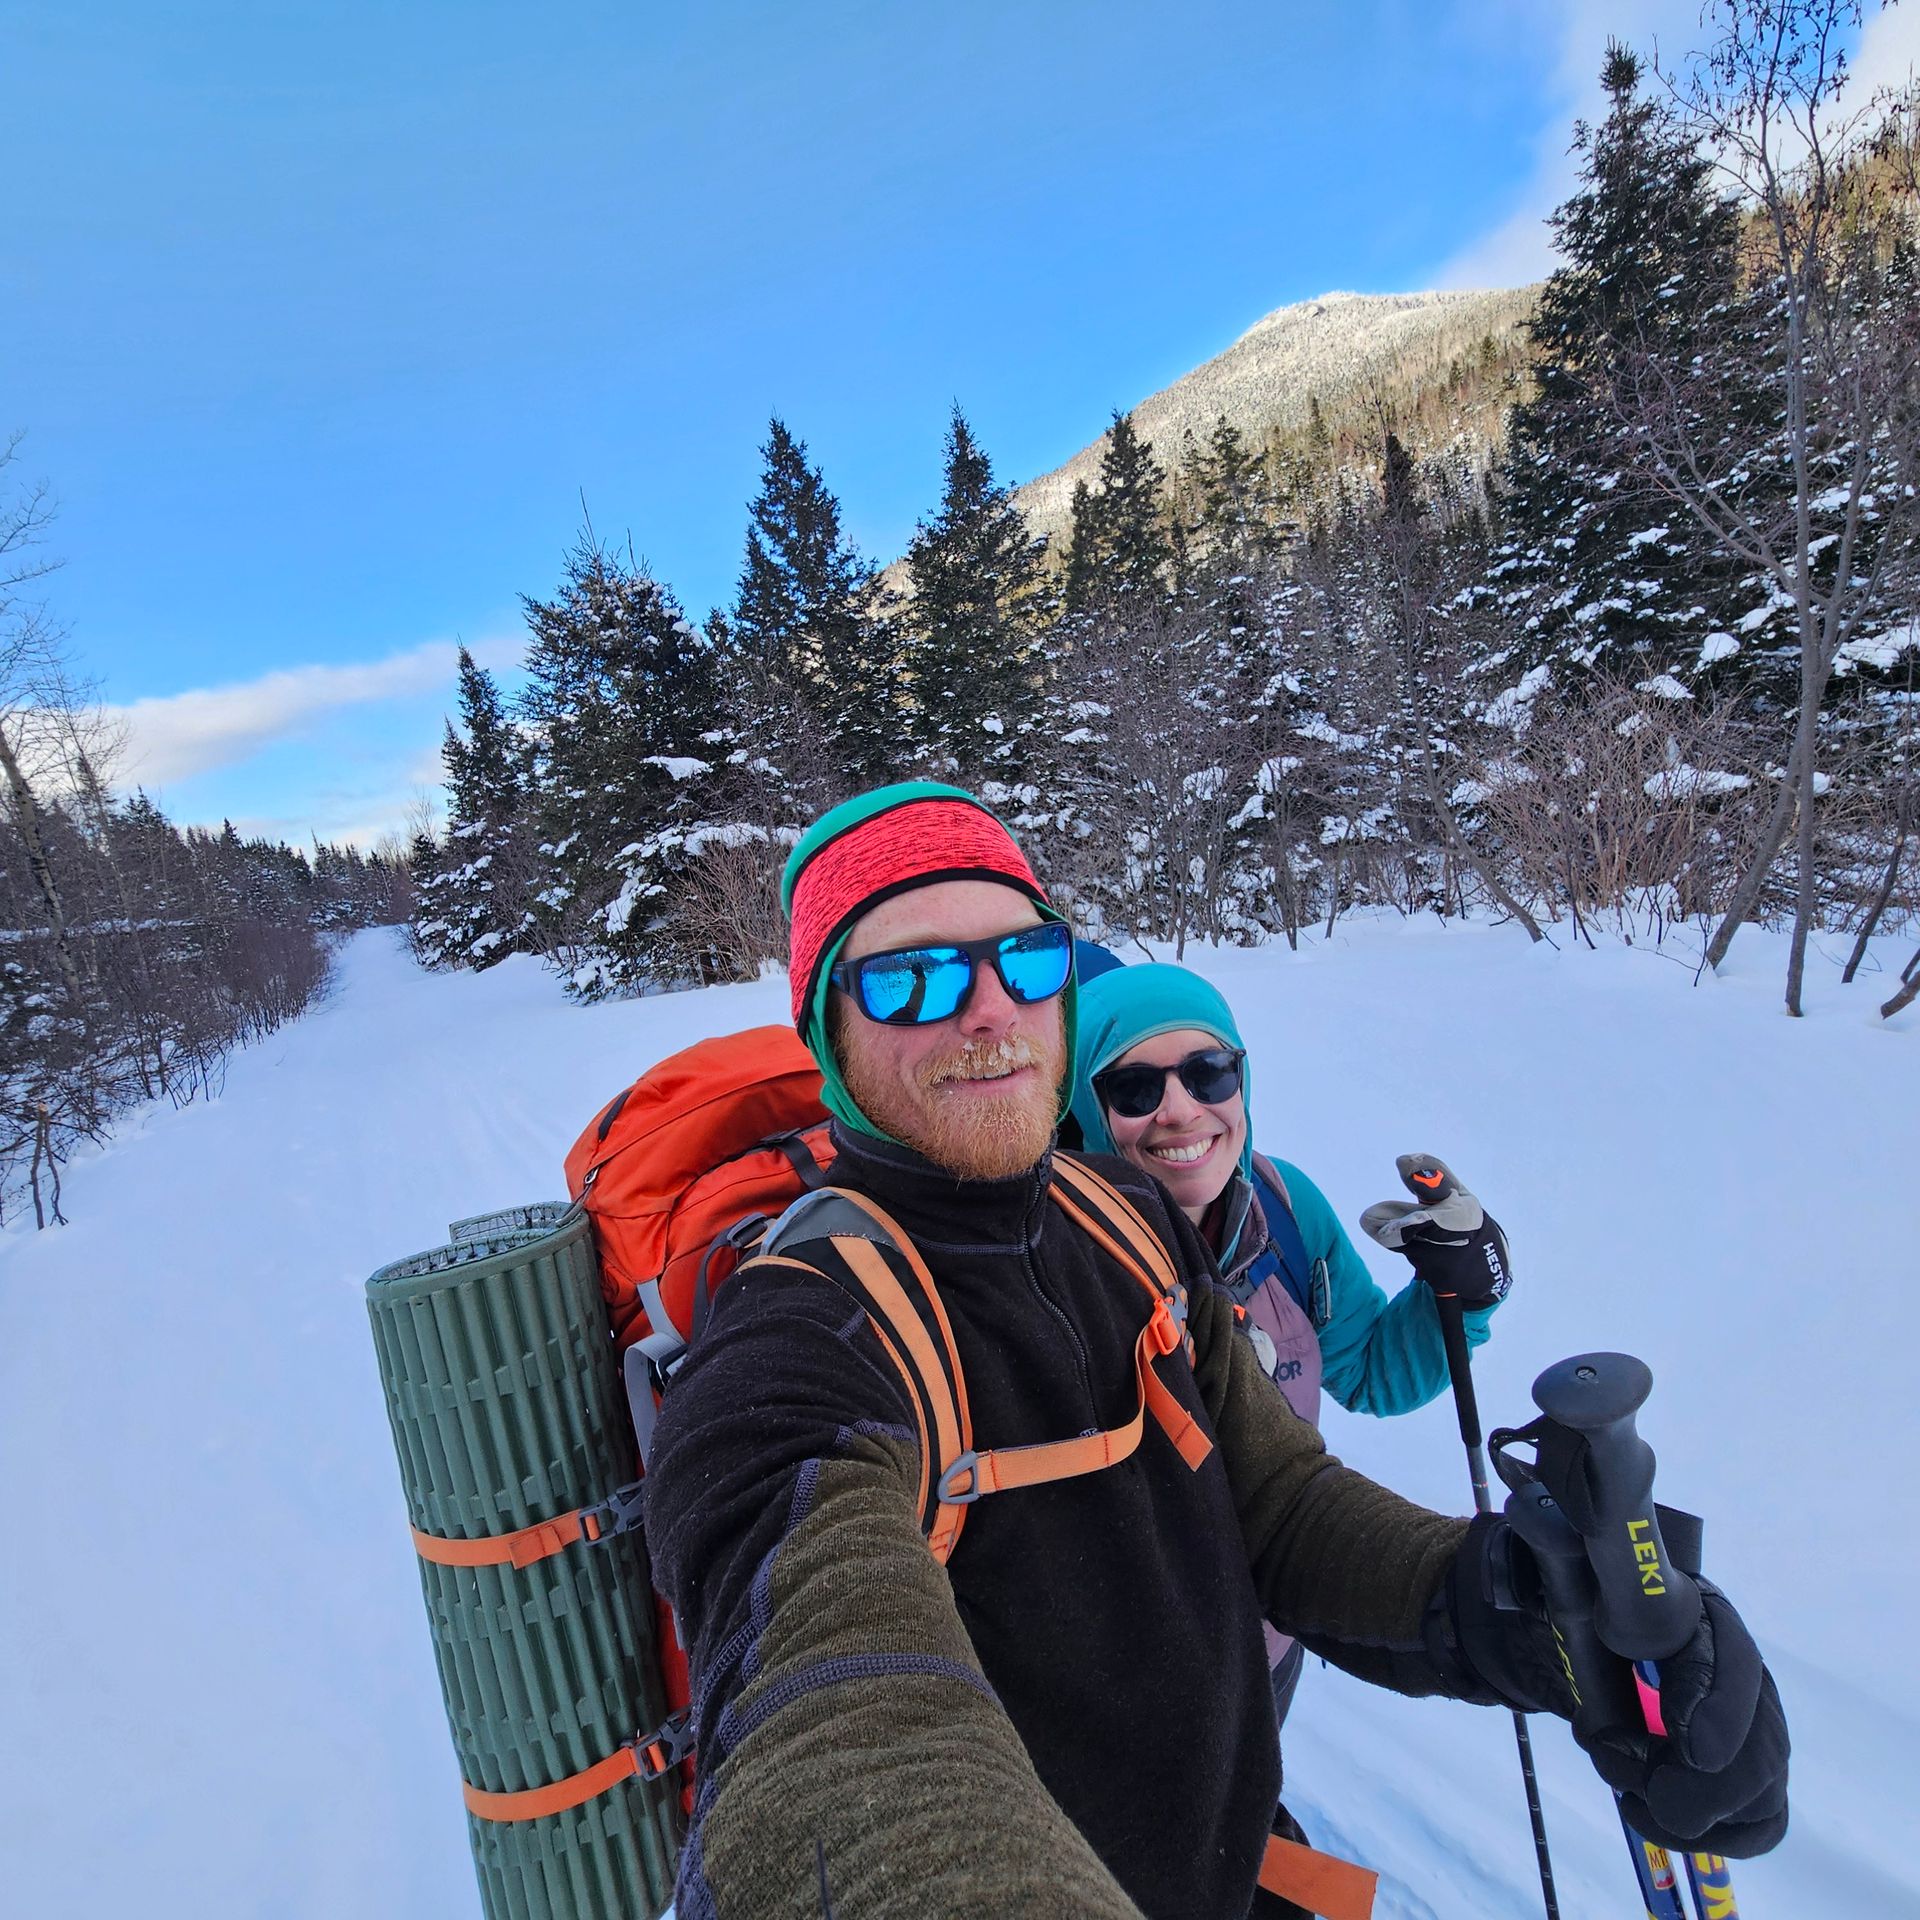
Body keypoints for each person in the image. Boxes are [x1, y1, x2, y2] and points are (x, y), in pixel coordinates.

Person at [644, 780, 1787, 1920]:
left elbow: (1277, 1503)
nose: (989, 1009)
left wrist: (1534, 1616)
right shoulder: (796, 1342)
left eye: (1027, 959)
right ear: (825, 1029)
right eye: (909, 977)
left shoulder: (1124, 1220)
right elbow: (838, 1727)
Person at [1068, 962, 1511, 1730]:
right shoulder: (1049, 1256)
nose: (1180, 1111)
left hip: (1271, 1640)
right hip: (1116, 1681)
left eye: (1209, 1073)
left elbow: (1372, 1372)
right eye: (1133, 1088)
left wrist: (1460, 1293)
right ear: (1083, 1105)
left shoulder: (1284, 1207)